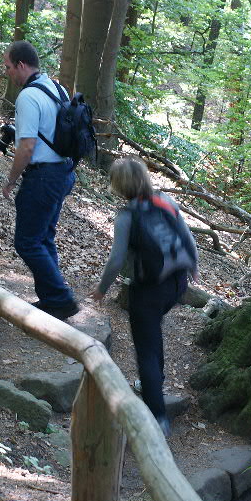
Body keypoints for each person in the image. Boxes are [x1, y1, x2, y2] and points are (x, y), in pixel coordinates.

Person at [91, 157, 199, 437]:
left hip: (148, 289)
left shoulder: (127, 216)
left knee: (147, 350)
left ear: (119, 185)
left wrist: (102, 289)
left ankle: (158, 418)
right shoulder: (165, 200)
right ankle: (154, 382)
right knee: (153, 336)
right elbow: (189, 238)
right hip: (175, 283)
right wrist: (194, 268)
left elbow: (116, 260)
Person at [1, 41, 79, 320]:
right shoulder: (56, 87)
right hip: (63, 172)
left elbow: (26, 147)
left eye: (8, 66)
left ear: (21, 65)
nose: (7, 71)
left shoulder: (28, 97)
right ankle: (51, 300)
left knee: (27, 242)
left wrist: (11, 179)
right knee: (44, 237)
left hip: (43, 176)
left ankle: (60, 298)